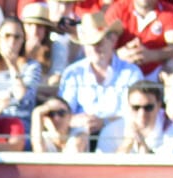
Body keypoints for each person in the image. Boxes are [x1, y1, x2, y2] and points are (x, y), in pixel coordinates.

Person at [59, 11, 141, 142]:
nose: (95, 48)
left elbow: (135, 114)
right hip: (81, 133)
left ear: (112, 40)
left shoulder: (131, 72)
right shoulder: (73, 72)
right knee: (77, 140)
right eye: (90, 44)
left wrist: (104, 122)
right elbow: (63, 110)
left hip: (118, 135)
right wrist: (74, 120)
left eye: (99, 42)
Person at [0, 15, 42, 122]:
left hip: (22, 126)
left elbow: (24, 99)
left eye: (17, 37)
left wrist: (13, 66)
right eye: (7, 36)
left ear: (23, 41)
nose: (11, 42)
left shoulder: (32, 67)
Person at [107, 0, 173, 78]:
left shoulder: (169, 12)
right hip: (122, 71)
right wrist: (119, 54)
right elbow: (104, 43)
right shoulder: (117, 10)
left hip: (156, 72)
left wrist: (151, 55)